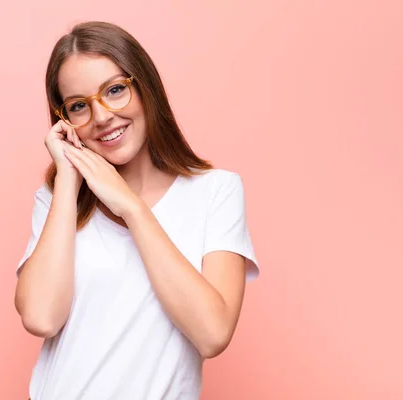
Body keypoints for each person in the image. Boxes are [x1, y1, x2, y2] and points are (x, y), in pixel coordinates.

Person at [14, 21, 260, 400]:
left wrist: (131, 207)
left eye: (115, 90)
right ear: (64, 120)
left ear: (145, 88)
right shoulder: (57, 201)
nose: (101, 117)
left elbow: (212, 333)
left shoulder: (216, 191)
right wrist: (67, 179)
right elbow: (41, 317)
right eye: (79, 105)